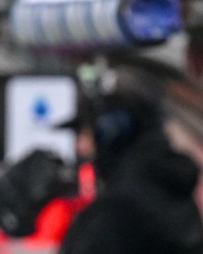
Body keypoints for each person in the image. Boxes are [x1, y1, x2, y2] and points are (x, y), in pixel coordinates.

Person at [59, 89, 203, 254]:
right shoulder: (169, 193)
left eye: (87, 135)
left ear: (111, 133)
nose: (81, 147)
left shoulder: (116, 215)